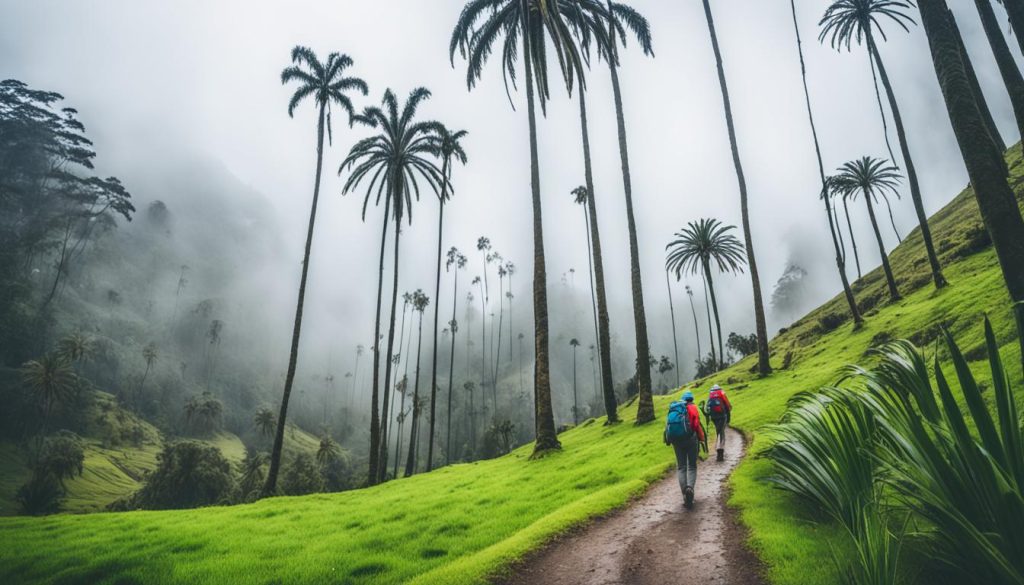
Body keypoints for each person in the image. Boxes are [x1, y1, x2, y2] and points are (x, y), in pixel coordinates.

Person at [664, 390, 706, 509]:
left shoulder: (675, 409)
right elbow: (696, 425)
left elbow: (667, 426)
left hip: (676, 441)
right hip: (690, 439)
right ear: (691, 400)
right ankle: (690, 489)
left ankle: (685, 494)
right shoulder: (692, 408)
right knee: (692, 466)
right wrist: (701, 438)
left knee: (681, 467)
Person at [704, 384, 732, 462]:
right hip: (722, 415)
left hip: (713, 417)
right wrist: (728, 417)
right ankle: (720, 449)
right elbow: (727, 405)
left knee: (718, 430)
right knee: (722, 431)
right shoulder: (721, 392)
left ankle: (719, 448)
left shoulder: (711, 394)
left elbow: (708, 407)